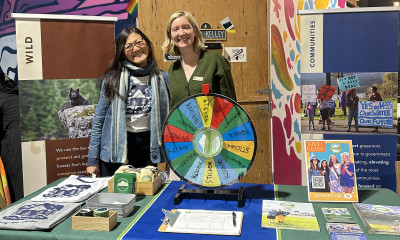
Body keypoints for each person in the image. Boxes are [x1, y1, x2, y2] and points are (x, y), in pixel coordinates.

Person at [86, 27, 169, 177]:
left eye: (139, 42)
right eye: (129, 46)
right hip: (114, 150)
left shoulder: (163, 78)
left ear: (148, 44)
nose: (136, 48)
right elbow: (99, 120)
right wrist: (92, 159)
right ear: (122, 52)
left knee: (144, 197)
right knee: (115, 198)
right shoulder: (112, 79)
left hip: (148, 150)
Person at [162, 11, 236, 108]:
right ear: (170, 35)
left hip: (214, 123)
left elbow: (231, 105)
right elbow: (173, 108)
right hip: (184, 123)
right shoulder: (173, 69)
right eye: (175, 29)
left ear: (195, 31)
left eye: (186, 27)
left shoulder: (215, 60)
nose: (181, 33)